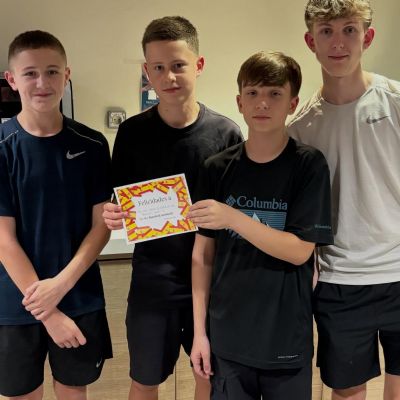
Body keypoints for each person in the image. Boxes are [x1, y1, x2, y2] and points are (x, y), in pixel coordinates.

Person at [102, 16, 242, 400]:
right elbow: (118, 201)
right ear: (147, 72)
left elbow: (236, 214)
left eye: (179, 65)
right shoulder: (132, 133)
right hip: (152, 284)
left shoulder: (226, 134)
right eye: (159, 67)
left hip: (213, 282)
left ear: (199, 65)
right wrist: (113, 214)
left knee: (208, 377)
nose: (169, 77)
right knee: (145, 381)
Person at [188, 51, 333, 400]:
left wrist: (232, 217)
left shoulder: (308, 166)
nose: (262, 103)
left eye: (274, 93)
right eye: (252, 93)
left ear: (293, 103)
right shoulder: (216, 168)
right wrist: (199, 333)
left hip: (285, 338)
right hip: (227, 336)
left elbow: (299, 251)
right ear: (240, 101)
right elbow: (202, 257)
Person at [287, 1, 400, 399]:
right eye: (326, 31)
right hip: (340, 281)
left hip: (399, 270)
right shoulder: (300, 129)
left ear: (367, 37)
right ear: (310, 41)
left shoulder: (395, 101)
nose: (338, 42)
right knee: (347, 391)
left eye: (349, 29)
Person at [0, 30, 113, 400]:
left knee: (73, 392)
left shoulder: (93, 144)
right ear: (12, 79)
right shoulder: (2, 146)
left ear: (67, 75)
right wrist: (47, 311)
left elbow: (101, 226)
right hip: (15, 303)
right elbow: (3, 240)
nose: (42, 83)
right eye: (30, 73)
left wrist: (61, 286)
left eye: (52, 72)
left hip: (79, 296)